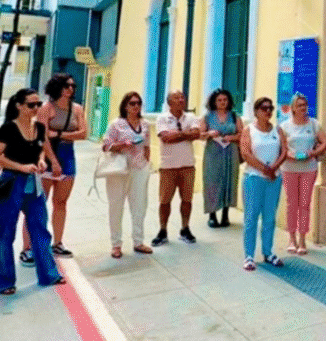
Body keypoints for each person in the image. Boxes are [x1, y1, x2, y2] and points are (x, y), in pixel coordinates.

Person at [0, 88, 66, 295]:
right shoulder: (8, 128)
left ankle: (49, 274)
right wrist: (20, 167)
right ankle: (4, 282)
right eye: (31, 105)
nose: (35, 108)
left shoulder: (39, 128)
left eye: (38, 104)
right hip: (12, 182)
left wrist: (41, 160)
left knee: (40, 227)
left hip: (34, 182)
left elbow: (41, 148)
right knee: (6, 232)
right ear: (19, 106)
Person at [19, 73, 86, 265]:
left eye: (73, 85)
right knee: (37, 205)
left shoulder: (77, 109)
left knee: (61, 203)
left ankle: (57, 243)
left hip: (68, 156)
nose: (71, 89)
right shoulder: (46, 108)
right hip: (47, 157)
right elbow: (43, 136)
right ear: (57, 87)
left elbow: (83, 133)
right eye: (67, 85)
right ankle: (28, 248)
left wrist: (58, 133)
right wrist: (53, 161)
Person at [101, 92, 152, 257]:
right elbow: (106, 146)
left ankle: (138, 241)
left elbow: (147, 146)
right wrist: (122, 145)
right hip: (118, 170)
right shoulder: (116, 124)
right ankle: (116, 244)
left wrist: (146, 163)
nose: (136, 106)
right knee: (116, 206)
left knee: (139, 206)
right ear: (125, 106)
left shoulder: (145, 124)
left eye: (138, 103)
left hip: (139, 169)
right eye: (132, 103)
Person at [238, 97, 287, 271]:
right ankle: (249, 256)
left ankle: (268, 252)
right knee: (251, 217)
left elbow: (284, 151)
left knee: (269, 218)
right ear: (256, 111)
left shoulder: (278, 130)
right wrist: (265, 169)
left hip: (274, 180)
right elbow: (246, 153)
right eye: (264, 108)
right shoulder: (248, 130)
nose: (268, 111)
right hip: (254, 178)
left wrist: (274, 168)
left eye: (270, 108)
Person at [279, 93, 326, 255]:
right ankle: (291, 239)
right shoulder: (285, 126)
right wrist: (288, 155)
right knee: (291, 204)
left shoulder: (314, 124)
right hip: (289, 168)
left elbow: (325, 143)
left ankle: (302, 239)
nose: (303, 108)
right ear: (292, 108)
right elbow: (280, 148)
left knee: (305, 204)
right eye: (299, 105)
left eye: (305, 105)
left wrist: (313, 153)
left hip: (309, 168)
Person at [153, 90, 201, 246]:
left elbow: (196, 134)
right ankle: (163, 230)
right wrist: (185, 134)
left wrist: (177, 134)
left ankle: (185, 228)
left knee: (187, 200)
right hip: (168, 167)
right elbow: (166, 138)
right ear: (169, 102)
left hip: (187, 166)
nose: (181, 100)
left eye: (182, 97)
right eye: (176, 98)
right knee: (165, 200)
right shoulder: (162, 118)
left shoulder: (191, 117)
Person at [197, 89, 243, 228]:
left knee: (229, 181)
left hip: (231, 152)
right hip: (213, 152)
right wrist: (209, 133)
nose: (222, 103)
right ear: (214, 102)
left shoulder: (234, 116)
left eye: (225, 100)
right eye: (219, 100)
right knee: (212, 181)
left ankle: (225, 215)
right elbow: (200, 135)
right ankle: (212, 215)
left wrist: (232, 137)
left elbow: (242, 134)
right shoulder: (207, 117)